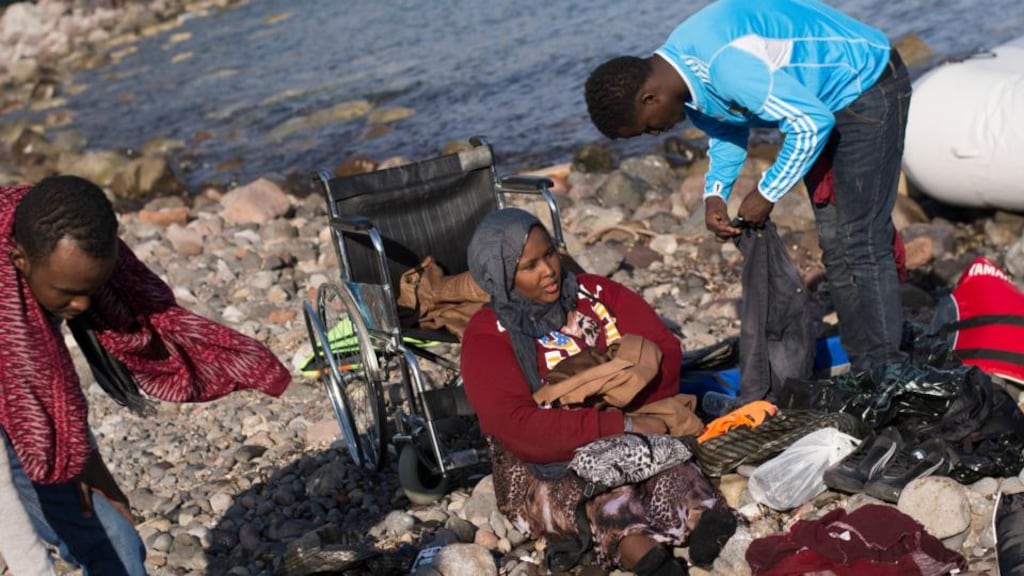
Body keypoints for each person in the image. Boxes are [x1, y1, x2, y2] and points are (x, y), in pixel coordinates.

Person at [584, 0, 911, 374]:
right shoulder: (679, 75)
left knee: (861, 240)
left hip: (865, 85)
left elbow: (809, 124)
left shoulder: (725, 65)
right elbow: (727, 124)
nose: (657, 133)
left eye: (649, 127)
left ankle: (889, 372)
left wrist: (766, 193)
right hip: (817, 100)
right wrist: (715, 193)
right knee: (836, 246)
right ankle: (866, 366)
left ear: (649, 98)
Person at [0, 176, 292, 574]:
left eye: (93, 288)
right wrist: (32, 567)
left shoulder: (43, 240)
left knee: (117, 545)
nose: (83, 304)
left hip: (20, 413)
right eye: (68, 291)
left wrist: (94, 472)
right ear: (19, 261)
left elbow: (53, 382)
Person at [461, 208, 736, 575]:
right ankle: (640, 552)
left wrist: (619, 404)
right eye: (530, 266)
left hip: (620, 424)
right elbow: (519, 427)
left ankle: (704, 526)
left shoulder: (593, 293)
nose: (549, 271)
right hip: (545, 454)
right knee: (598, 493)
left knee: (662, 466)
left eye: (549, 255)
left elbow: (663, 349)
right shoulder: (486, 336)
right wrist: (619, 421)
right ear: (502, 277)